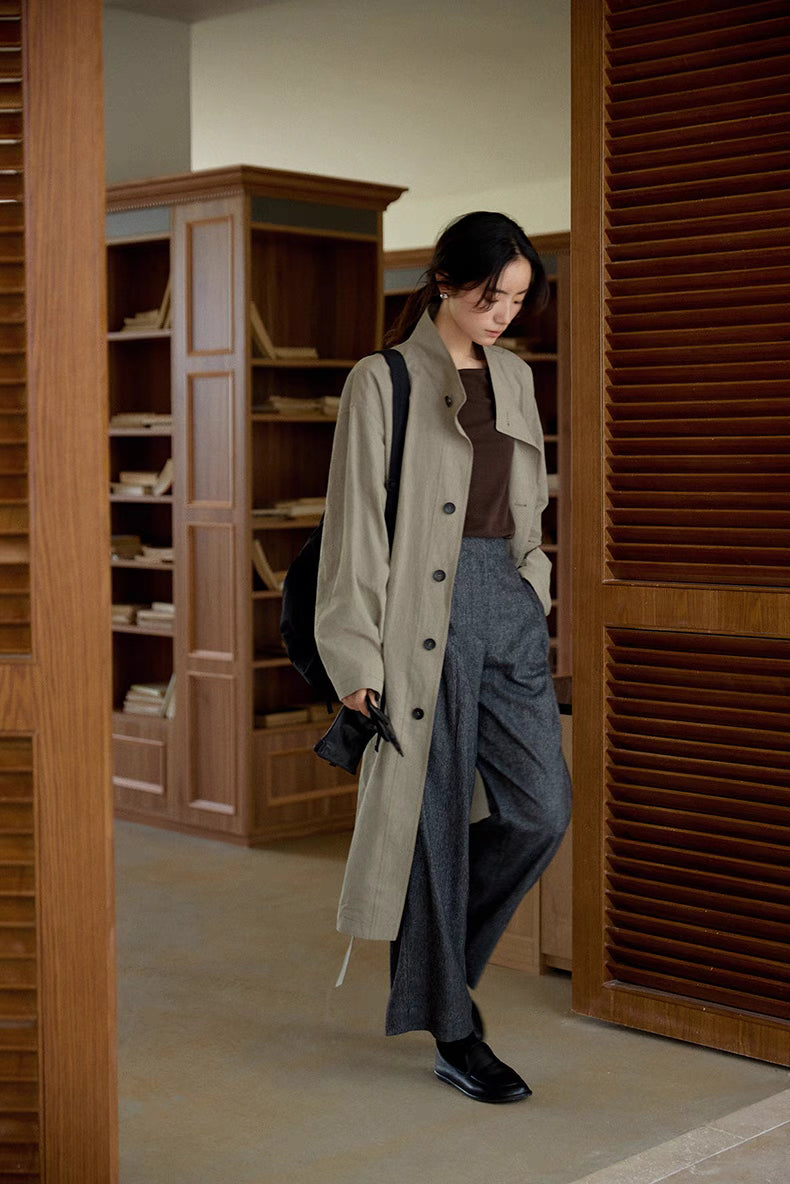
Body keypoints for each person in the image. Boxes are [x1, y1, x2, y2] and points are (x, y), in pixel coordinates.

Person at [315, 211, 572, 1104]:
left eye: (517, 299)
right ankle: (455, 1031)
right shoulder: (380, 381)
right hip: (417, 616)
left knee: (543, 808)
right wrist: (356, 659)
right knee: (429, 814)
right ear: (445, 282)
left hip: (507, 601)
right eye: (489, 294)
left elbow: (529, 505)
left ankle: (429, 960)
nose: (503, 312)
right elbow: (354, 534)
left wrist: (534, 589)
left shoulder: (517, 376)